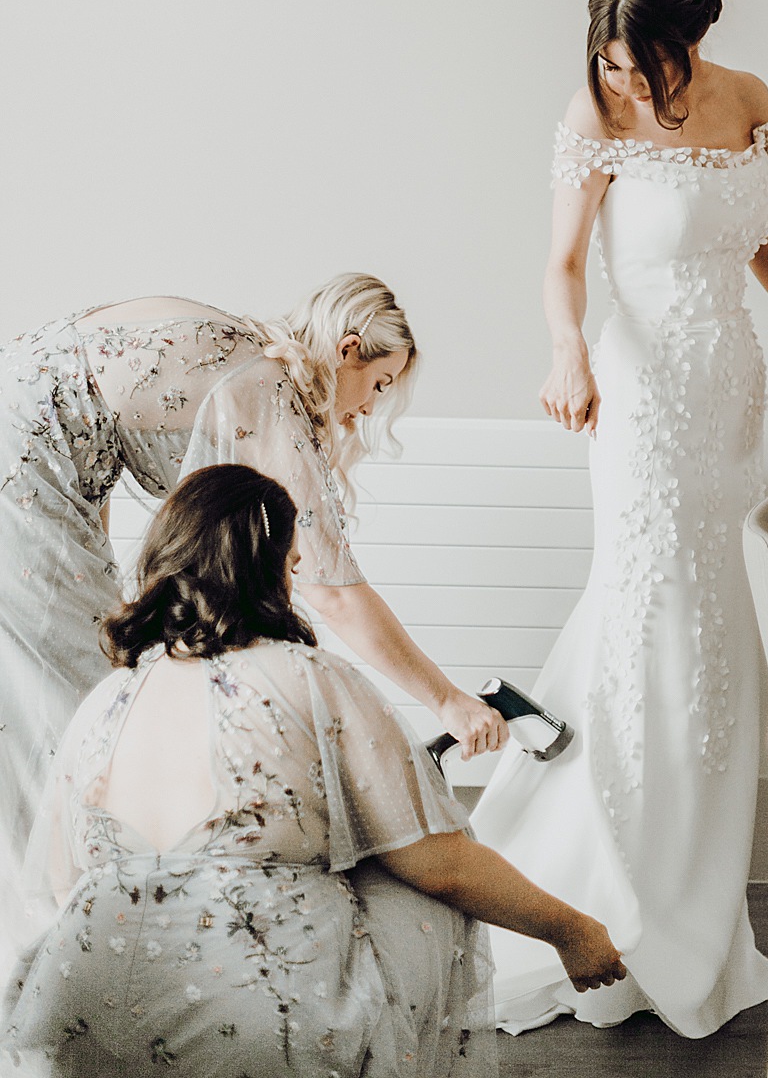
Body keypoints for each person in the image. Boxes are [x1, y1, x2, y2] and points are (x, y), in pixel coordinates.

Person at [471, 0, 768, 1036]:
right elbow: (561, 263)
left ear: (692, 39)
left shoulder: (748, 97)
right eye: (613, 64)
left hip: (728, 391)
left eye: (649, 64)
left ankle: (697, 908)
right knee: (647, 625)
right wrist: (565, 348)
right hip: (639, 400)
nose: (632, 85)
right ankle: (604, 897)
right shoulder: (592, 111)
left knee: (717, 639)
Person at [2, 464, 624, 1077]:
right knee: (408, 869)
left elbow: (64, 883)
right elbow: (446, 866)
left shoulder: (106, 700)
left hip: (79, 1008)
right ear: (265, 567)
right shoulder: (309, 677)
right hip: (258, 1020)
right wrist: (572, 931)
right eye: (292, 564)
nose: (296, 579)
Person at [0, 274, 505, 978]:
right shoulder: (267, 388)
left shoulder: (242, 351)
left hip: (34, 462)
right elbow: (335, 591)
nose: (369, 409)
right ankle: (74, 955)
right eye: (380, 385)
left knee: (78, 702)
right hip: (20, 478)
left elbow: (89, 429)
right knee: (78, 717)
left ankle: (89, 942)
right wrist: (447, 699)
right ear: (349, 349)